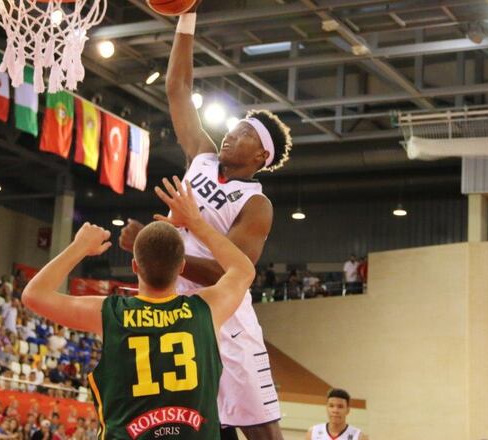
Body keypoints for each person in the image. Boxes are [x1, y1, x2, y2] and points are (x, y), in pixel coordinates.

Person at [119, 5, 291, 439]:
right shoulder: (202, 154)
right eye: (236, 125)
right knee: (194, 427)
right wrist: (187, 16)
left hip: (226, 317)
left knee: (260, 429)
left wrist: (156, 247)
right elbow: (178, 87)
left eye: (247, 133)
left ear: (261, 157)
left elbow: (231, 273)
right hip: (174, 304)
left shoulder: (256, 204)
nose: (234, 132)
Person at [23, 177, 255, 440]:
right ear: (181, 267)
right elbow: (244, 270)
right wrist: (196, 222)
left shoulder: (112, 313)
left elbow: (34, 295)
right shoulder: (206, 310)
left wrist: (79, 247)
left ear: (134, 266)